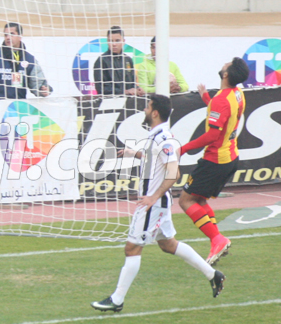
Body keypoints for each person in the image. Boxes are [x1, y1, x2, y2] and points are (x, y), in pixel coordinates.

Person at [91, 95, 225, 312]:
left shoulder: (164, 139)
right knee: (168, 244)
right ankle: (213, 275)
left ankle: (117, 300)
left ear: (154, 112)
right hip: (157, 203)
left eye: (147, 107)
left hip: (153, 204)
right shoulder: (156, 137)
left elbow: (174, 172)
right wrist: (133, 154)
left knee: (132, 248)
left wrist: (153, 197)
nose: (145, 110)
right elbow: (154, 159)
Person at [178, 57, 249, 265]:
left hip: (215, 160)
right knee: (199, 200)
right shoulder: (237, 94)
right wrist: (206, 98)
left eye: (226, 64)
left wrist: (183, 149)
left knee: (185, 200)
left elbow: (212, 135)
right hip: (230, 156)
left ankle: (217, 239)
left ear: (226, 74)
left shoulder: (221, 99)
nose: (223, 65)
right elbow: (225, 114)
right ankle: (217, 242)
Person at [0, 22, 51, 100]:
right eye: (6, 35)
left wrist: (43, 90)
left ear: (20, 36)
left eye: (12, 34)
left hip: (18, 108)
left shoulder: (29, 59)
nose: (8, 37)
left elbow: (38, 85)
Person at [93, 26, 142, 96]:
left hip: (128, 103)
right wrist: (124, 92)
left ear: (123, 41)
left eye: (117, 41)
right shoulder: (101, 60)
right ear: (107, 41)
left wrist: (137, 89)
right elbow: (101, 88)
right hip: (109, 103)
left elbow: (132, 83)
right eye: (111, 41)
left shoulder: (128, 60)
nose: (114, 44)